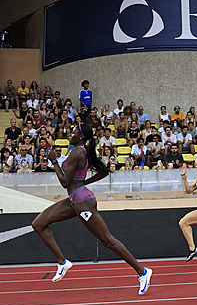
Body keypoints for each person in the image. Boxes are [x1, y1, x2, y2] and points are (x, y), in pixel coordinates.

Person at [32, 124, 152, 294]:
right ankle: (62, 262)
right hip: (76, 199)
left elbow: (65, 182)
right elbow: (103, 172)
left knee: (107, 240)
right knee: (39, 223)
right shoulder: (83, 151)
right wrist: (83, 184)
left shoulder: (77, 152)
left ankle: (143, 272)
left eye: (74, 132)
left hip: (83, 203)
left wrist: (53, 162)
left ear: (81, 136)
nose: (71, 134)